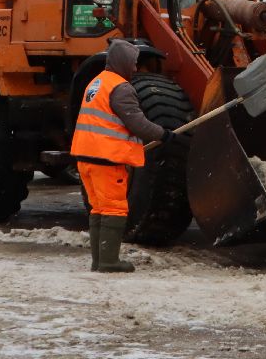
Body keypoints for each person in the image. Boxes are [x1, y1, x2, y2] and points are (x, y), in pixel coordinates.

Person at [71, 39, 183, 272]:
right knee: (114, 209)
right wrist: (164, 134)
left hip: (86, 156)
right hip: (106, 160)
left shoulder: (97, 82)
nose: (135, 68)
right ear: (122, 62)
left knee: (99, 209)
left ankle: (98, 260)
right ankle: (109, 262)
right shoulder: (121, 88)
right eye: (132, 63)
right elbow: (137, 123)